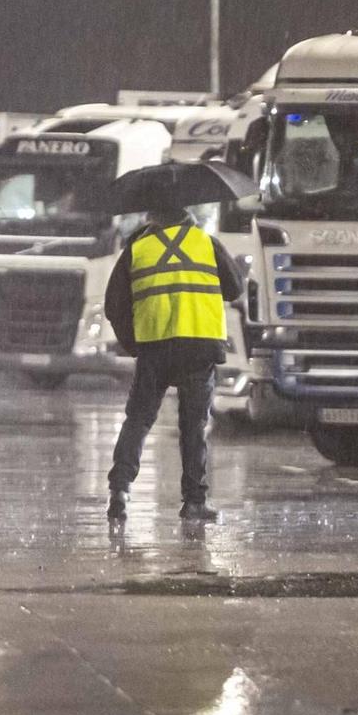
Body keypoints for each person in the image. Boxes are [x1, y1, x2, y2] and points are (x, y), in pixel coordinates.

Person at [103, 205, 241, 524]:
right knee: (193, 427)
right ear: (187, 214)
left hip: (155, 346)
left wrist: (133, 342)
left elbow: (114, 306)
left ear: (151, 216)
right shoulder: (207, 243)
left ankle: (120, 492)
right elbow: (234, 288)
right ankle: (194, 501)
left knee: (138, 419)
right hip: (199, 345)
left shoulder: (136, 249)